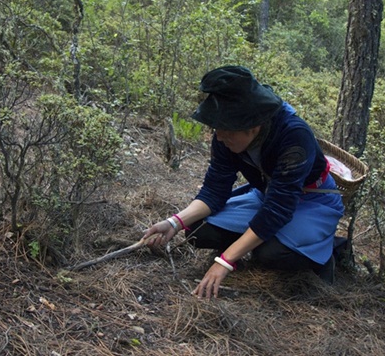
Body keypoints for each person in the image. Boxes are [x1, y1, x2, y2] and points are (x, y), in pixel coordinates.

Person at [142, 66, 344, 299]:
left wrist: (225, 261)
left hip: (311, 201)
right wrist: (174, 223)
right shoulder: (226, 135)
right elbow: (215, 190)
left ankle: (327, 253)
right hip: (266, 195)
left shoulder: (294, 137)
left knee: (270, 253)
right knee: (198, 231)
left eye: (225, 130)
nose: (219, 137)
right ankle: (254, 241)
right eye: (216, 128)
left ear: (253, 125)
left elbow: (278, 210)